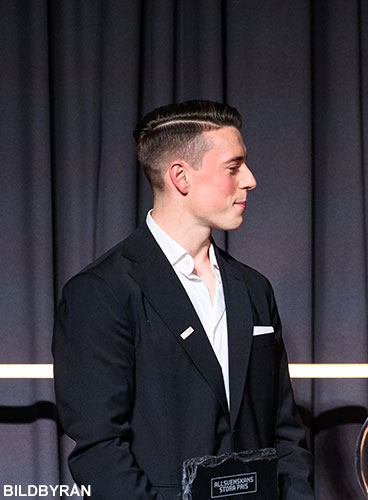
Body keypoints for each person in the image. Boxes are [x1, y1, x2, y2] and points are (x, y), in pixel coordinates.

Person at [52, 100, 313, 499]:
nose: (250, 179)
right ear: (180, 176)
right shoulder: (100, 292)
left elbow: (285, 432)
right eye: (233, 167)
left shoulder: (254, 288)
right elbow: (100, 450)